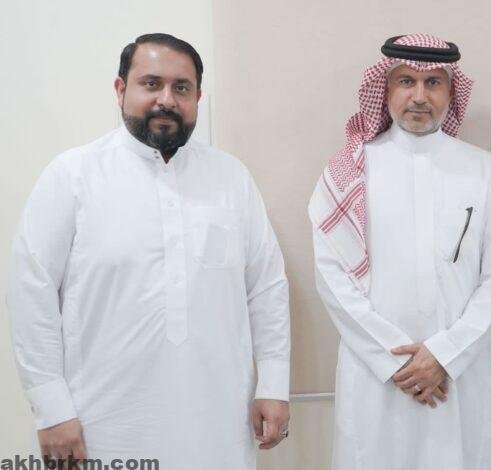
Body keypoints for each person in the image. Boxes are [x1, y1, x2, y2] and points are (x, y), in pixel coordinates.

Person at [7, 33, 291, 469]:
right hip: (103, 427)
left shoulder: (231, 178)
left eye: (182, 88)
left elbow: (266, 288)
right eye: (151, 83)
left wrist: (273, 385)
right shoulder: (73, 175)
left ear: (197, 97)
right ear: (121, 89)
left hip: (218, 425)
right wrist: (52, 409)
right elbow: (32, 293)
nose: (167, 99)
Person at [309, 34, 491, 469]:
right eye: (406, 81)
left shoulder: (485, 170)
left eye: (433, 83)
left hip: (458, 376)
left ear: (451, 93)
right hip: (376, 379)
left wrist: (445, 354)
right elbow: (332, 278)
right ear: (385, 89)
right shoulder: (349, 172)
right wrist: (395, 360)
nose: (419, 96)